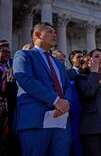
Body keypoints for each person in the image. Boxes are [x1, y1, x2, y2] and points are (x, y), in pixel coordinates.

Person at [13, 22, 72, 156]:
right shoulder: (23, 55)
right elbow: (26, 80)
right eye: (50, 31)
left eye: (55, 32)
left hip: (61, 121)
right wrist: (55, 100)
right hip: (35, 120)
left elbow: (67, 85)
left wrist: (66, 102)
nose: (55, 34)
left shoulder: (58, 62)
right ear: (38, 34)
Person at [0, 40, 20, 156]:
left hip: (8, 108)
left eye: (9, 52)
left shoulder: (7, 68)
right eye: (4, 52)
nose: (8, 54)